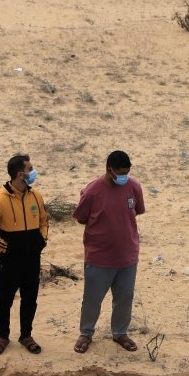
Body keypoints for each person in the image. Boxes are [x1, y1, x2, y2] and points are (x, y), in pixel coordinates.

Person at [73, 150, 145, 353]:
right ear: (109, 170)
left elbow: (136, 211)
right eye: (121, 173)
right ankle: (86, 333)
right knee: (92, 299)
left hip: (127, 256)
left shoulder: (134, 187)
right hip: (99, 257)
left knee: (124, 298)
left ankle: (120, 333)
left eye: (127, 173)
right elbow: (81, 218)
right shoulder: (92, 191)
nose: (124, 177)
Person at [0, 153, 49, 355]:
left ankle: (26, 335)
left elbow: (44, 221)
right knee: (5, 299)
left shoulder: (36, 195)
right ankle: (2, 336)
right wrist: (7, 249)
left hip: (32, 259)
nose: (33, 172)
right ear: (21, 174)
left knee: (30, 298)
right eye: (30, 169)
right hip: (10, 261)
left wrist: (41, 241)